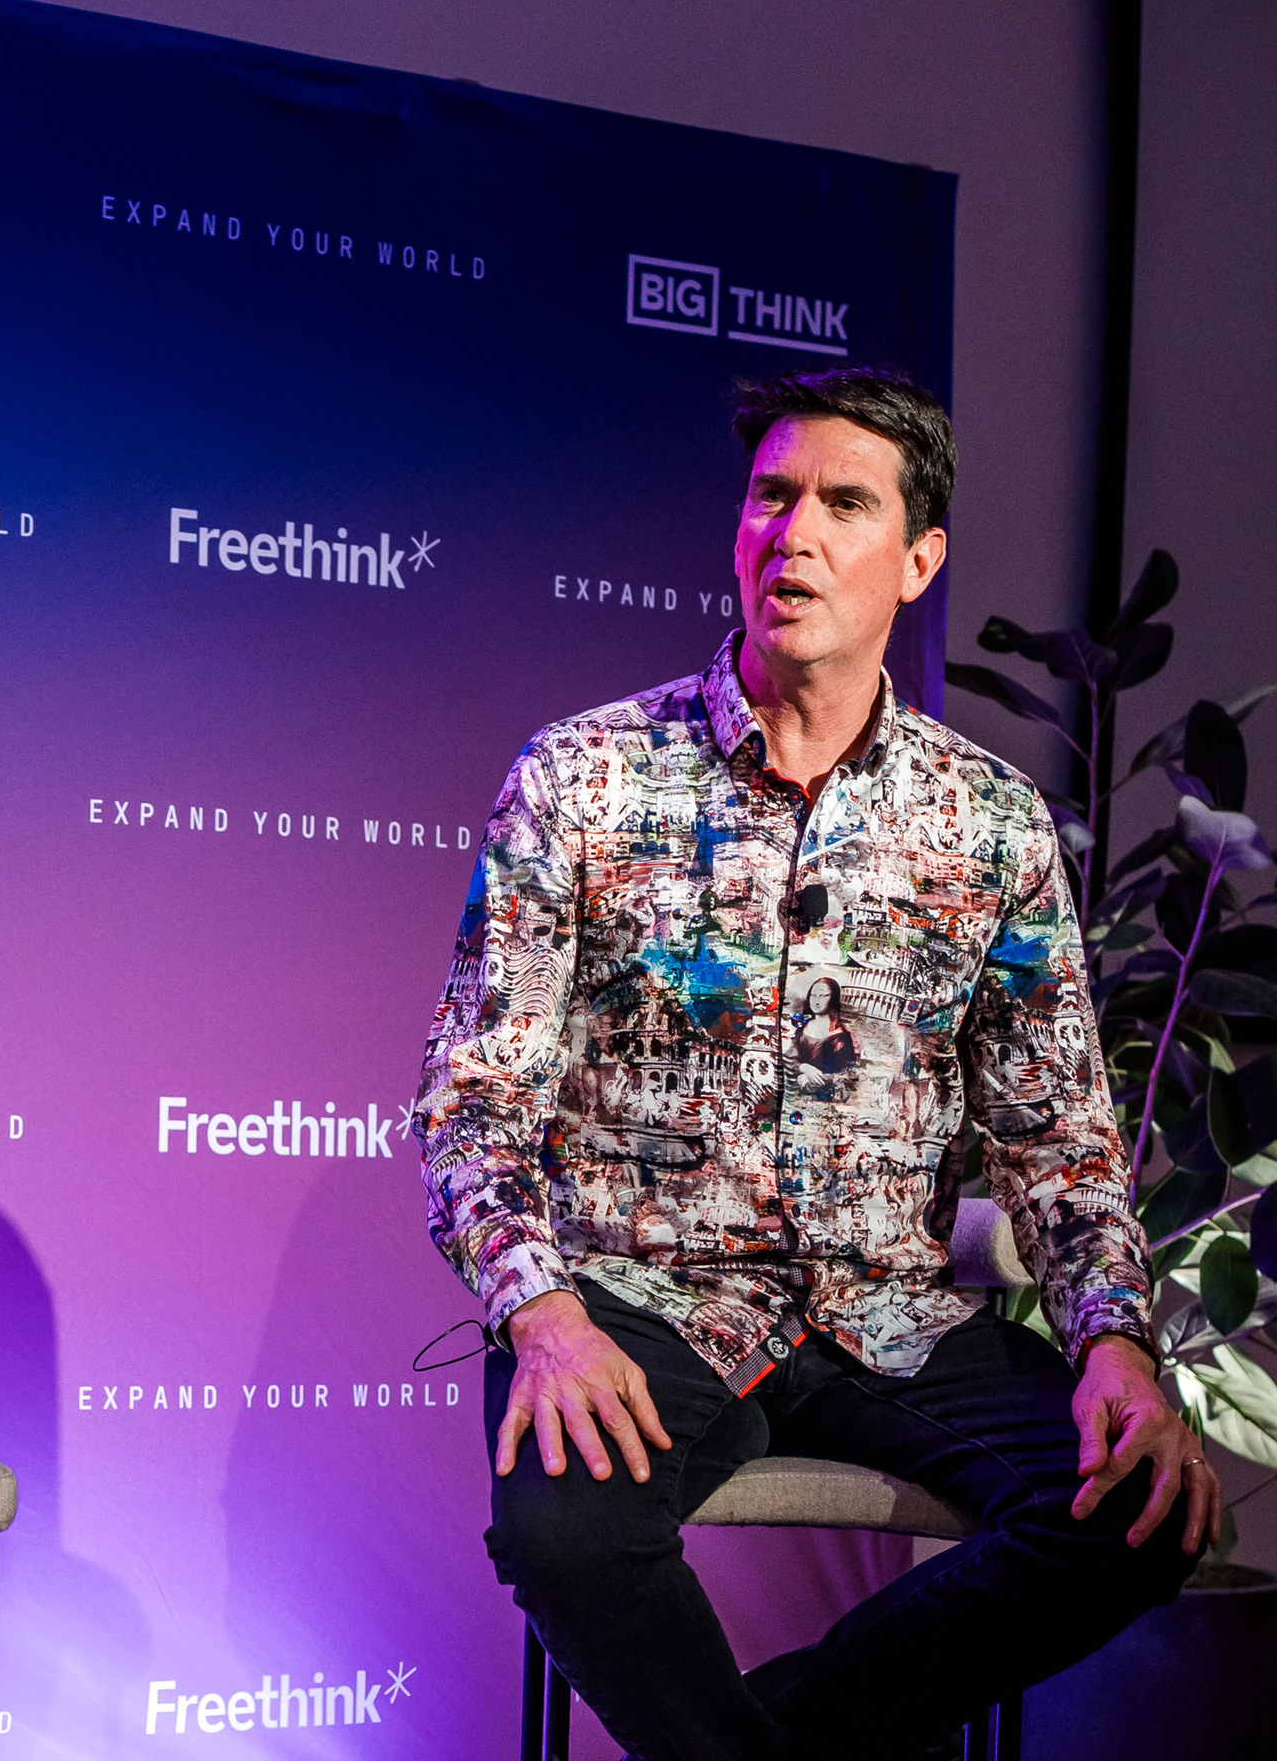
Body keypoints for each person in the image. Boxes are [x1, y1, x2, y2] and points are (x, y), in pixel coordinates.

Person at [415, 367, 1208, 1760]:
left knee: (1141, 1509)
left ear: (918, 560)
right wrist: (541, 1313)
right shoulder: (585, 776)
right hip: (639, 1300)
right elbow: (475, 1099)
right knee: (563, 1530)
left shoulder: (990, 822)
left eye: (845, 504)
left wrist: (1116, 1344)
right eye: (772, 497)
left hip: (893, 1314)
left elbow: (1060, 1139)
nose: (796, 534)